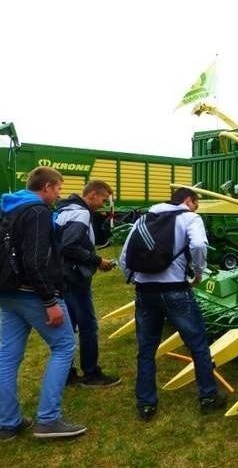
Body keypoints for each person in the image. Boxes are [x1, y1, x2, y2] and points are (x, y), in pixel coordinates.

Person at [119, 188, 225, 421]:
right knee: (197, 344)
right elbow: (198, 246)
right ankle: (208, 397)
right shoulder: (190, 218)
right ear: (188, 201)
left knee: (146, 349)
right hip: (175, 291)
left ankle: (146, 404)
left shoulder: (144, 219)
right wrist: (198, 273)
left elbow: (125, 256)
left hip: (145, 292)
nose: (196, 209)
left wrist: (131, 277)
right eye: (195, 204)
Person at [0, 167, 87, 440]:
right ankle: (48, 419)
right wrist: (49, 300)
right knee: (63, 347)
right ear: (47, 187)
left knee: (6, 357)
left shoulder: (8, 208)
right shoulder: (38, 212)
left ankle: (7, 423)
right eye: (58, 188)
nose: (59, 194)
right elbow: (35, 259)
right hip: (34, 294)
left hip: (8, 293)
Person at [55, 180, 121, 387]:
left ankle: (67, 373)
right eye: (103, 199)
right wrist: (97, 260)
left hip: (62, 276)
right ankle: (91, 374)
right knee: (88, 327)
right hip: (75, 279)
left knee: (68, 327)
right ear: (92, 194)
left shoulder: (64, 209)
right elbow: (69, 246)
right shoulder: (81, 214)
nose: (103, 204)